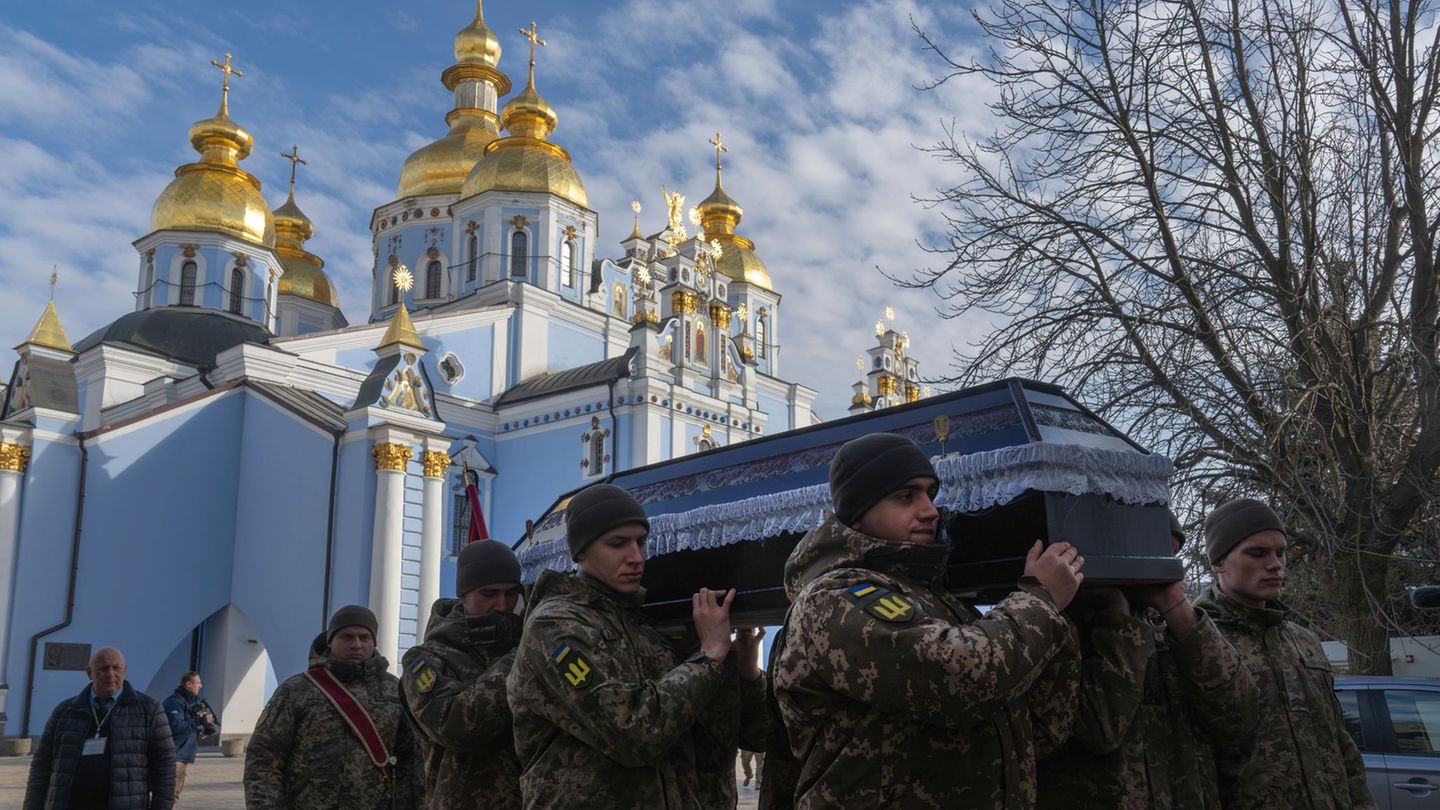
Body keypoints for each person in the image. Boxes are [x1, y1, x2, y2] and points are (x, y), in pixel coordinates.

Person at [769, 432, 1083, 808]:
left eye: (930, 494)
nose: (930, 510)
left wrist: (1062, 616)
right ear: (858, 512)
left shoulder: (940, 601)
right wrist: (1041, 598)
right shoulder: (835, 599)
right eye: (906, 496)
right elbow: (965, 678)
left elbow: (1041, 730)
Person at [506, 482, 753, 808]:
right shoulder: (554, 628)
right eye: (618, 544)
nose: (636, 557)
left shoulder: (645, 628)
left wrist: (741, 674)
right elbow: (634, 733)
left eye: (641, 542)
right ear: (581, 551)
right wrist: (708, 656)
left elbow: (715, 750)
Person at [1037, 511, 1258, 808]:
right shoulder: (1057, 626)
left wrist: (1177, 609)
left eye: (1172, 555)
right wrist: (1117, 615)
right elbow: (1100, 731)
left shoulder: (1178, 627)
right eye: (1155, 552)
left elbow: (1239, 719)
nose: (1164, 566)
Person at [1192, 498, 1375, 810]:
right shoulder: (1195, 642)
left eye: (1281, 552)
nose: (1275, 564)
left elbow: (1340, 741)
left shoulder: (1303, 640)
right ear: (1218, 562)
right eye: (1257, 553)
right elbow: (1192, 763)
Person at [244, 605, 417, 810]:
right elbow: (264, 757)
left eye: (364, 637)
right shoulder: (297, 690)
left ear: (374, 642)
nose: (356, 644)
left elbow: (412, 758)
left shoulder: (394, 691)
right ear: (330, 640)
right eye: (346, 637)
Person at [400, 540, 525, 809]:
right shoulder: (425, 660)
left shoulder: (525, 640)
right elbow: (457, 725)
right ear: (463, 596)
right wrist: (522, 658)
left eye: (511, 594)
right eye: (488, 594)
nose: (502, 605)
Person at [24, 646, 176, 810]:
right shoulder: (65, 711)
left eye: (116, 668)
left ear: (125, 670)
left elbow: (165, 768)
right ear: (89, 673)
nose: (110, 674)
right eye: (103, 668)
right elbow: (41, 767)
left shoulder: (149, 710)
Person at [162, 671, 216, 803]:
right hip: (174, 755)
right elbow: (175, 726)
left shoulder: (188, 703)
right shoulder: (174, 702)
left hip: (183, 755)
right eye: (198, 683)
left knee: (173, 795)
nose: (201, 686)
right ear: (188, 684)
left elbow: (186, 726)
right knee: (168, 796)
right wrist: (199, 721)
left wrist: (199, 731)